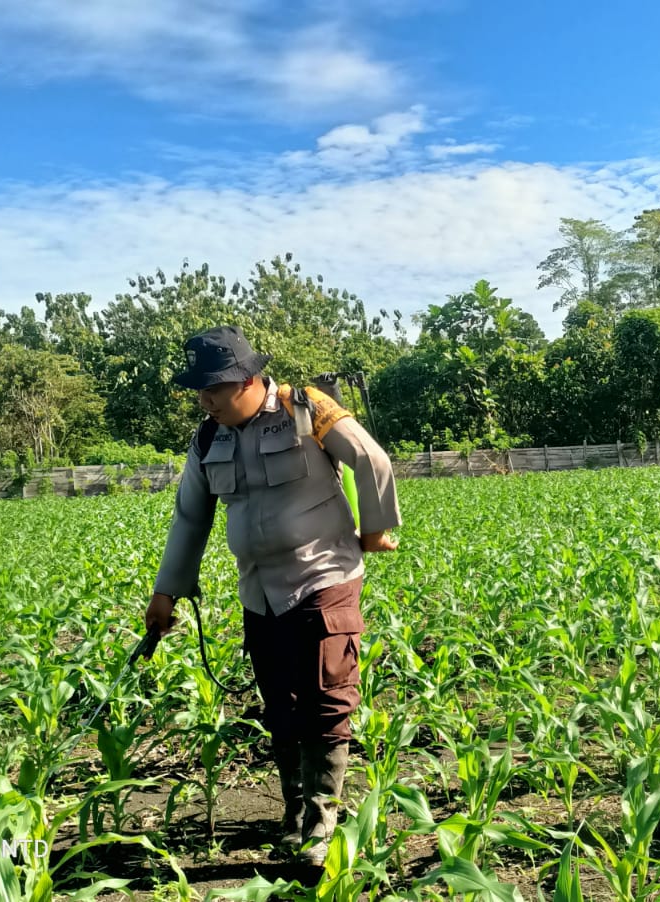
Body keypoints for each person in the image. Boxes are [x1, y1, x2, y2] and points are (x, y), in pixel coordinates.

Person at [144, 325, 401, 864]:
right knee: (281, 705)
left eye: (213, 388)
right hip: (260, 592)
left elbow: (371, 459)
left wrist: (375, 531)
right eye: (200, 390)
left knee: (326, 697)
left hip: (323, 577)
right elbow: (190, 516)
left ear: (246, 380)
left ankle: (321, 822)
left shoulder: (305, 408)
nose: (205, 400)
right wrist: (166, 592)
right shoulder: (208, 439)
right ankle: (295, 812)